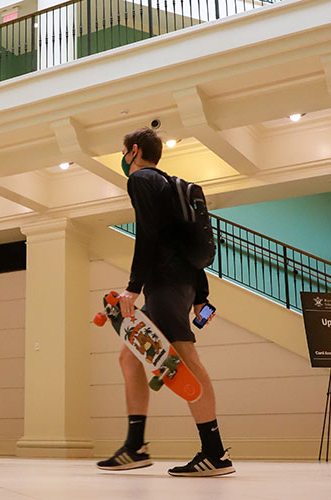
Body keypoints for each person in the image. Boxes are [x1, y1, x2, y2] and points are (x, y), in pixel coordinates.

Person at [96, 127, 235, 477]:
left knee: (186, 358)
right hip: (179, 280)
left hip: (164, 281)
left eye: (124, 152)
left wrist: (133, 287)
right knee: (130, 354)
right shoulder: (170, 185)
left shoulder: (141, 179)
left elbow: (148, 234)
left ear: (134, 150)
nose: (124, 159)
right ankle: (136, 446)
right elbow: (187, 244)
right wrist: (199, 295)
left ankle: (214, 453)